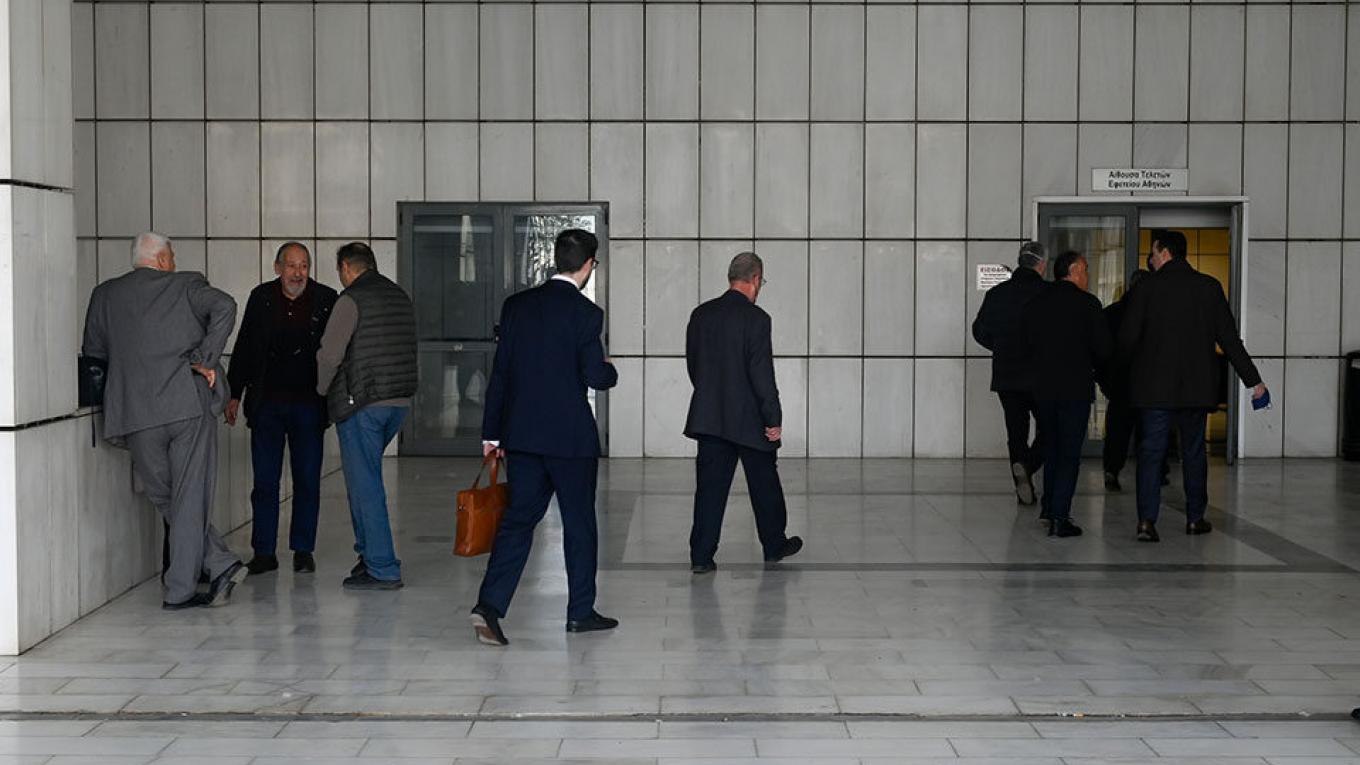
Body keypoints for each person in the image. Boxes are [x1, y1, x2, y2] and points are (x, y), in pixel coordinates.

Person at [470, 229, 619, 647]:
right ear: (588, 265)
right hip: (570, 440)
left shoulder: (516, 307)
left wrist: (492, 432)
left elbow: (501, 374)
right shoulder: (587, 314)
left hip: (523, 437)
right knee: (579, 524)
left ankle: (489, 606)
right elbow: (595, 376)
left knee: (518, 521)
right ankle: (580, 613)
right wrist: (610, 369)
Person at [81, 232, 245, 610]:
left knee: (165, 495)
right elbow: (226, 305)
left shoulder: (105, 295)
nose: (173, 262)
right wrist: (206, 358)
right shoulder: (186, 285)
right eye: (171, 256)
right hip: (185, 403)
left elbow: (93, 352)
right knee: (188, 495)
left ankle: (191, 582)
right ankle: (211, 567)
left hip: (135, 412)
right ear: (160, 260)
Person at [1119, 229, 1268, 542]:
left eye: (1153, 253)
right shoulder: (1208, 288)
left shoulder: (1146, 288)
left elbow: (1128, 339)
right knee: (1194, 453)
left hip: (1154, 390)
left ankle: (1146, 521)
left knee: (1151, 453)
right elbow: (1229, 340)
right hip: (1196, 390)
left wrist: (1122, 376)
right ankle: (1195, 518)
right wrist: (1253, 380)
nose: (1150, 259)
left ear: (1165, 253)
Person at [684, 252, 803, 574]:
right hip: (750, 420)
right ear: (755, 279)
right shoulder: (757, 319)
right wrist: (773, 419)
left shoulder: (701, 314)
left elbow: (694, 365)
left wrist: (711, 395)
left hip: (710, 417)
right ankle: (774, 545)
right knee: (765, 484)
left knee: (709, 489)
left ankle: (701, 556)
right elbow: (762, 373)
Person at [226, 242, 338, 575]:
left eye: (303, 265)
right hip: (268, 404)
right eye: (291, 265)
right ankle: (264, 552)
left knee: (307, 479)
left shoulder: (326, 298)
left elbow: (337, 352)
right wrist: (233, 393)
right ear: (277, 268)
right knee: (265, 481)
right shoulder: (261, 297)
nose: (297, 273)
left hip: (309, 405)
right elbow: (244, 346)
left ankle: (303, 550)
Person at [316, 242, 418, 588]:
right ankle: (369, 556)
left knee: (366, 487)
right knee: (365, 480)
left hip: (363, 404)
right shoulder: (399, 295)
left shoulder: (351, 299)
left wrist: (321, 390)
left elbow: (330, 355)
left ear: (346, 267)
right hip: (398, 402)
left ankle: (382, 567)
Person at [1021, 251, 1112, 537]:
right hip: (1075, 389)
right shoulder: (1088, 304)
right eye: (1085, 270)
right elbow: (1103, 349)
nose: (1087, 276)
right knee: (1069, 453)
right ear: (1073, 271)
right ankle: (1060, 517)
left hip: (1043, 389)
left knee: (1051, 447)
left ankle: (1049, 508)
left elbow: (1025, 344)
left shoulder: (1036, 304)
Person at [972, 241, 1050, 506]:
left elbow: (979, 331)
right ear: (1042, 264)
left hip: (1006, 374)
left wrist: (1001, 347)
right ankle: (1028, 466)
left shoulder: (997, 293)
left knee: (1016, 432)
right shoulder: (1047, 293)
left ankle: (1022, 486)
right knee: (1050, 428)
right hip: (1041, 375)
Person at [1098, 269, 1168, 492]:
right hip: (1150, 384)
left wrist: (1105, 381)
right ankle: (1155, 472)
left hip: (1120, 384)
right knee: (1150, 430)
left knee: (1117, 431)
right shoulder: (1157, 315)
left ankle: (1112, 469)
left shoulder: (1111, 314)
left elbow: (1101, 353)